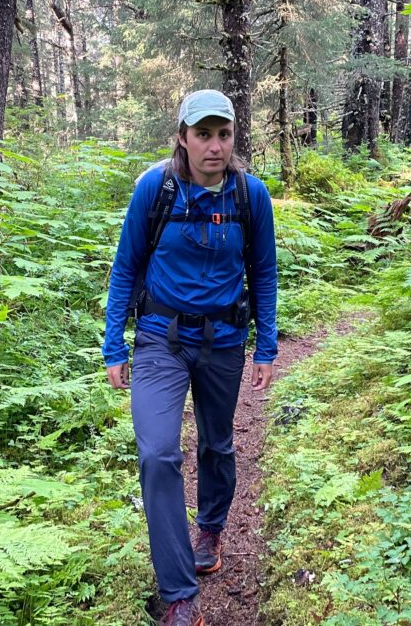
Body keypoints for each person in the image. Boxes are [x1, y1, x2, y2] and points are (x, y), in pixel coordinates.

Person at [102, 89, 278, 626]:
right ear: (182, 138)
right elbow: (126, 265)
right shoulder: (156, 189)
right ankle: (179, 594)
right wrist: (114, 341)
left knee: (218, 444)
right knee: (157, 455)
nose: (215, 146)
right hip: (161, 338)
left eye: (223, 134)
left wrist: (265, 345)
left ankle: (212, 528)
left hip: (224, 340)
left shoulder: (251, 196)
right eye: (203, 134)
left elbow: (264, 273)